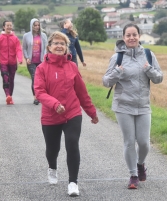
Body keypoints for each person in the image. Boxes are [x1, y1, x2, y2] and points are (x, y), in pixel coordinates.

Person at [34, 31, 99, 196]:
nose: (59, 46)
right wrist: (55, 104)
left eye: (62, 44)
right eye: (55, 43)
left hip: (72, 112)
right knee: (52, 149)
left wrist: (92, 112)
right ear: (49, 47)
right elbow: (39, 92)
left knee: (72, 143)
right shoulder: (42, 68)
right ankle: (52, 167)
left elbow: (82, 92)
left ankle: (73, 182)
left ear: (66, 48)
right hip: (50, 115)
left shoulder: (72, 67)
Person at [102, 23, 163, 189]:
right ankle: (133, 175)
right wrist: (117, 73)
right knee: (129, 142)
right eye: (128, 35)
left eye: (134, 34)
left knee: (144, 143)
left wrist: (149, 70)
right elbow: (106, 81)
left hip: (143, 105)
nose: (131, 38)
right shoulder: (117, 58)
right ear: (123, 38)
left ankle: (140, 164)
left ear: (139, 36)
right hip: (123, 106)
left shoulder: (149, 55)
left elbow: (159, 78)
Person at [0, 20, 23, 105]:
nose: (9, 27)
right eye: (7, 25)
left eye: (10, 25)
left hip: (13, 62)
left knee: (11, 80)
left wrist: (20, 58)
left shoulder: (15, 38)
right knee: (5, 78)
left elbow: (18, 49)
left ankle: (10, 97)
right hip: (3, 62)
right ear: (4, 27)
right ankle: (7, 95)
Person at [22, 18, 47, 105]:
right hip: (31, 61)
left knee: (42, 80)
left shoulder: (43, 36)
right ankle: (35, 97)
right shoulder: (26, 36)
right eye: (35, 25)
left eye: (38, 25)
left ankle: (42, 96)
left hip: (41, 61)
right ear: (31, 26)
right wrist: (27, 58)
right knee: (34, 78)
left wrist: (44, 57)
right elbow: (24, 48)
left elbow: (45, 48)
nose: (37, 27)